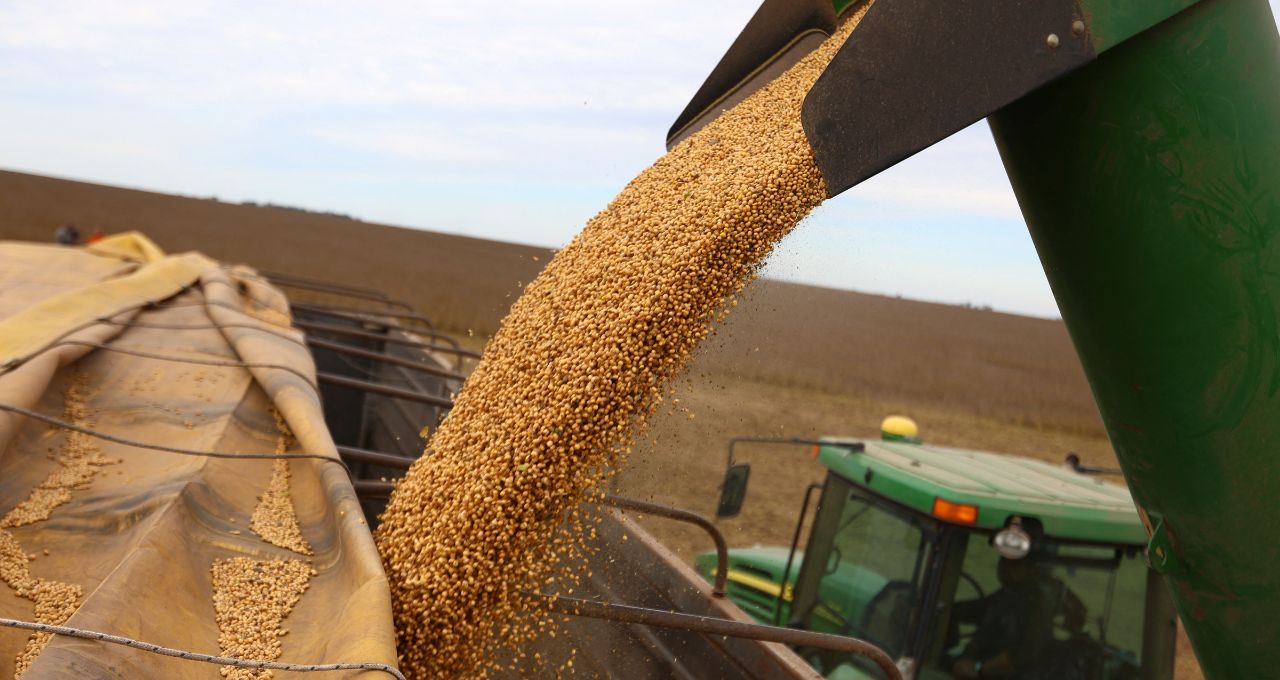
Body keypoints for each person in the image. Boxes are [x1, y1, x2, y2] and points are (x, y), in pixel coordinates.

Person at [950, 557, 1056, 679]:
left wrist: (978, 668)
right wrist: (948, 609)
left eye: (1014, 563)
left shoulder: (1034, 605)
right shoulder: (1006, 596)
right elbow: (975, 609)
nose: (1004, 567)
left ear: (1030, 568)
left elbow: (1023, 658)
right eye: (1004, 561)